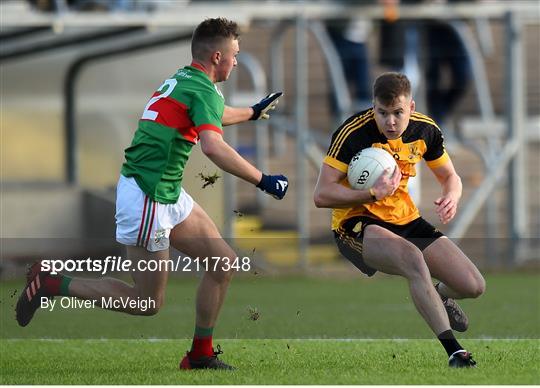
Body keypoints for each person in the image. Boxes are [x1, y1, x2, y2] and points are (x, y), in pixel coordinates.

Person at [16, 17, 288, 370]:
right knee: (147, 303)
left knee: (222, 262)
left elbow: (213, 113)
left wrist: (252, 112)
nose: (237, 61)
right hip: (148, 197)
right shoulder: (201, 89)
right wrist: (263, 180)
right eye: (235, 54)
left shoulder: (186, 79)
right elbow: (213, 147)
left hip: (166, 192)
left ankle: (200, 355)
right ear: (218, 56)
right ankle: (53, 283)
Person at [314, 72, 484, 368]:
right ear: (373, 107)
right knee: (413, 260)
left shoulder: (425, 130)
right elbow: (321, 195)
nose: (390, 121)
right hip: (356, 223)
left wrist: (451, 196)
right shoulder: (353, 133)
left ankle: (439, 296)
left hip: (406, 220)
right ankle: (455, 352)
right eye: (383, 113)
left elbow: (450, 177)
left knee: (473, 285)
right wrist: (370, 193)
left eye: (398, 113)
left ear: (412, 107)